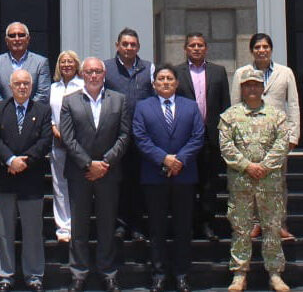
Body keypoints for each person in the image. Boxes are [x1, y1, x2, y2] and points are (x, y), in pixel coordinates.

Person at [59, 57, 132, 292]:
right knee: (79, 227)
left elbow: (124, 136)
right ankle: (78, 273)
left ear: (104, 74)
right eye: (89, 71)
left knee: (106, 225)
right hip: (80, 173)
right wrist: (89, 164)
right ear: (82, 74)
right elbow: (68, 138)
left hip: (109, 173)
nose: (93, 75)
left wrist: (105, 163)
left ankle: (108, 272)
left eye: (97, 71)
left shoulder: (119, 100)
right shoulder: (69, 101)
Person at [133, 64, 204, 292]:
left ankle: (182, 274)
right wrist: (164, 159)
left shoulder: (190, 106)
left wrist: (179, 160)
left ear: (177, 83)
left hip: (184, 175)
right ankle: (159, 274)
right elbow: (141, 137)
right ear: (154, 84)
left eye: (169, 79)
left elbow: (197, 137)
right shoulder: (143, 107)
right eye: (161, 79)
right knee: (157, 228)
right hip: (154, 176)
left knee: (183, 228)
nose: (165, 82)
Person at [220, 68, 291, 292]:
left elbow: (282, 145)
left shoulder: (277, 116)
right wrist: (247, 166)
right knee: (241, 228)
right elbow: (226, 146)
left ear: (262, 88)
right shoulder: (229, 116)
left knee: (271, 227)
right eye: (247, 85)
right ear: (241, 88)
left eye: (256, 85)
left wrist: (264, 166)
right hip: (242, 182)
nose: (252, 88)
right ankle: (239, 273)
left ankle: (275, 273)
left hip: (269, 182)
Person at [230, 33, 300, 241]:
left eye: (265, 47)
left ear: (271, 49)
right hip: (249, 136)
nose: (262, 50)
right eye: (257, 47)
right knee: (251, 181)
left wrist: (293, 135)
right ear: (252, 50)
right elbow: (235, 104)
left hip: (277, 135)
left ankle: (278, 224)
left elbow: (293, 104)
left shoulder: (285, 73)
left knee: (277, 182)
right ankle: (254, 223)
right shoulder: (242, 73)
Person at [0, 69, 53, 292]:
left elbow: (46, 139)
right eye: (18, 84)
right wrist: (10, 160)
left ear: (32, 85)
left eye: (26, 83)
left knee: (33, 230)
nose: (22, 87)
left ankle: (34, 275)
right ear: (10, 86)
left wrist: (26, 160)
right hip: (4, 177)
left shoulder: (43, 110)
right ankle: (5, 275)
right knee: (4, 230)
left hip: (31, 177)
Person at [174, 32, 230, 242]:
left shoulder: (218, 72)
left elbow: (225, 106)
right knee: (186, 185)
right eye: (192, 45)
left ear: (206, 48)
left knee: (208, 184)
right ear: (185, 48)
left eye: (200, 45)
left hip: (210, 137)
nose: (196, 49)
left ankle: (207, 223)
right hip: (184, 139)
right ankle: (187, 224)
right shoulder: (177, 72)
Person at [103, 27, 154, 242]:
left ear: (138, 47)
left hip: (142, 136)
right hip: (115, 136)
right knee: (118, 182)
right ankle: (120, 224)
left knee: (139, 182)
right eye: (125, 44)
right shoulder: (106, 68)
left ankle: (138, 225)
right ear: (117, 45)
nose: (129, 48)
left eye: (133, 44)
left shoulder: (148, 69)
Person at [47, 50, 84, 243]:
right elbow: (49, 115)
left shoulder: (84, 86)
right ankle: (63, 228)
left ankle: (77, 226)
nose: (66, 65)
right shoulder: (53, 88)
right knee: (59, 186)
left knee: (77, 186)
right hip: (58, 142)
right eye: (63, 62)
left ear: (77, 65)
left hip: (79, 144)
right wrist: (55, 129)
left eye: (70, 62)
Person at [0, 22, 51, 116]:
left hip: (33, 117)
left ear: (28, 39)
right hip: (5, 117)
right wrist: (9, 111)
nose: (17, 39)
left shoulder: (41, 62)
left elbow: (43, 93)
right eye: (12, 35)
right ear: (6, 40)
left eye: (21, 35)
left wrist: (26, 111)